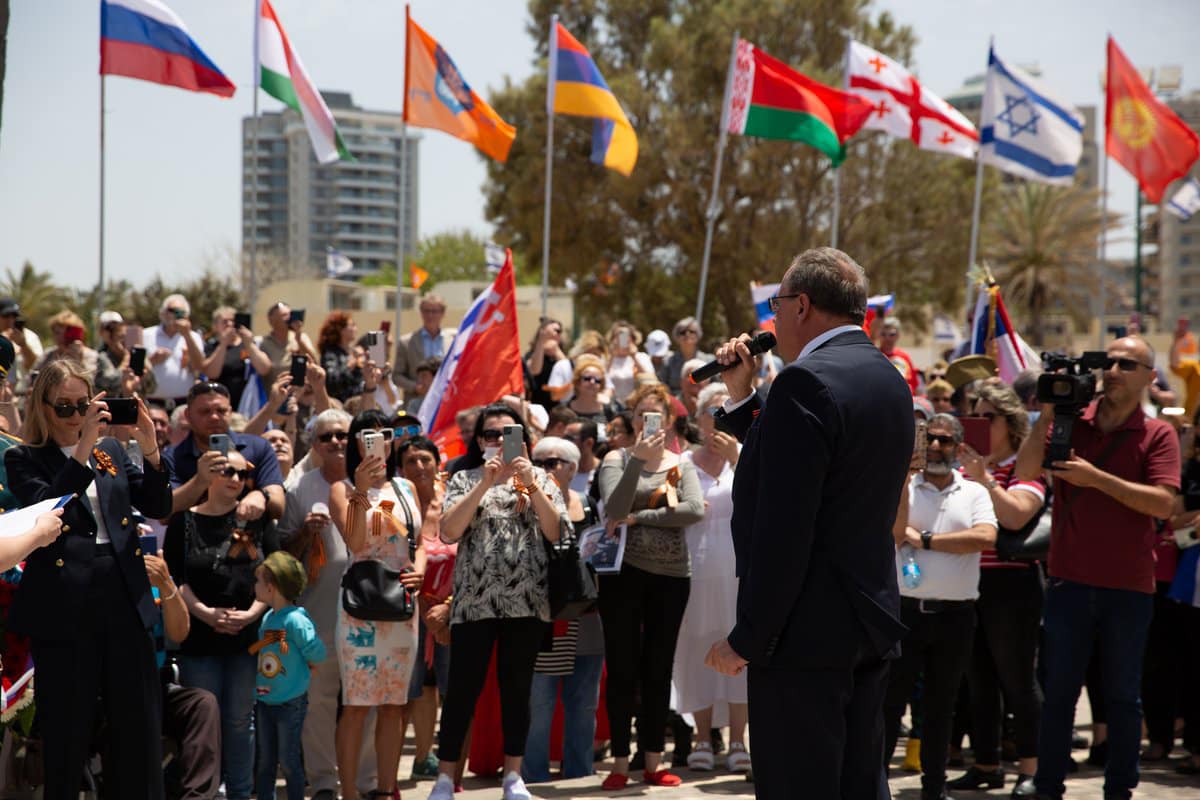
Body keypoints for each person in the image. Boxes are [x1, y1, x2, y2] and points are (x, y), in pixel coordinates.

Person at [706, 247, 914, 799]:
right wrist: (744, 396)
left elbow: (785, 530)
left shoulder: (804, 384)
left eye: (775, 306)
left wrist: (749, 637)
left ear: (801, 305)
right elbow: (804, 469)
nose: (770, 321)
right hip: (867, 621)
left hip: (804, 638)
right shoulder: (888, 378)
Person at [1015, 337, 1180, 800]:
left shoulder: (1157, 434)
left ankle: (1119, 791)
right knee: (1059, 696)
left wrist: (1095, 479)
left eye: (1127, 363)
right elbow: (1026, 470)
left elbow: (1164, 503)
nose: (1113, 370)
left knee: (1124, 699)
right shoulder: (1073, 423)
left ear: (1150, 376)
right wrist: (1047, 415)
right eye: (1108, 361)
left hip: (1128, 588)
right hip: (1068, 583)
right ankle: (1047, 787)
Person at [5, 360, 173, 799]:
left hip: (122, 593)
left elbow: (158, 504)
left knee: (136, 729)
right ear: (42, 407)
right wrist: (82, 449)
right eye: (64, 407)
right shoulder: (23, 458)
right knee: (67, 733)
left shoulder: (111, 453)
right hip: (65, 604)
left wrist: (150, 449)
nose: (77, 416)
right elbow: (48, 508)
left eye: (84, 405)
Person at [427, 404, 569, 800]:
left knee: (516, 689)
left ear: (522, 440)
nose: (496, 441)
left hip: (526, 601)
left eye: (505, 433)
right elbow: (450, 531)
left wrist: (530, 482)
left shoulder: (540, 477)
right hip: (474, 601)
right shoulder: (464, 476)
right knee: (461, 690)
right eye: (489, 434)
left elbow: (556, 531)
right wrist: (484, 484)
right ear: (478, 440)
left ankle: (513, 776)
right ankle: (444, 777)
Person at [597, 382, 705, 790]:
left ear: (671, 420)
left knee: (658, 669)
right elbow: (614, 509)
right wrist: (635, 465)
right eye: (641, 415)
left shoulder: (682, 463)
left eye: (655, 415)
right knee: (623, 668)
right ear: (633, 419)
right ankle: (622, 762)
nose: (647, 422)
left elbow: (694, 510)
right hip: (624, 575)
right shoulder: (616, 458)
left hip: (673, 576)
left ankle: (654, 761)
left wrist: (642, 518)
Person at [885, 413, 999, 800]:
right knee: (888, 704)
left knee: (941, 706)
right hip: (904, 611)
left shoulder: (974, 492)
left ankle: (934, 788)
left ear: (958, 447)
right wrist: (902, 478)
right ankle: (874, 784)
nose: (935, 447)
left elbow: (985, 537)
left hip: (955, 616)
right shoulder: (904, 486)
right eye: (929, 439)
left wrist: (928, 540)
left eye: (944, 441)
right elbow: (895, 533)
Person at [948, 383, 1047, 797]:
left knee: (1018, 680)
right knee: (979, 681)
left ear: (1011, 422)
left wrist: (985, 480)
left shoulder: (1022, 469)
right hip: (971, 583)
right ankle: (987, 764)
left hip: (1012, 585)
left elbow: (1015, 516)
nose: (981, 423)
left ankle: (1032, 768)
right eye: (976, 415)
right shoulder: (964, 469)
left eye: (990, 417)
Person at [165, 447, 280, 800]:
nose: (235, 479)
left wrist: (252, 613)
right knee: (205, 724)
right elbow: (172, 578)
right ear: (208, 474)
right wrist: (204, 613)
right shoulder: (183, 520)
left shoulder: (257, 520)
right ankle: (207, 793)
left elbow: (275, 574)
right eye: (226, 472)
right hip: (199, 637)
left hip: (246, 636)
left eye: (241, 474)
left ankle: (241, 794)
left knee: (239, 720)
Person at [277, 409, 379, 800]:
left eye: (343, 435)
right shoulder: (299, 488)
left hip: (368, 607)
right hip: (317, 609)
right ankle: (322, 781)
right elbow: (284, 549)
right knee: (318, 700)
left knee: (365, 697)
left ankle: (368, 781)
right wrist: (305, 532)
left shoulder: (373, 484)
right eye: (326, 437)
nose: (335, 442)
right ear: (313, 445)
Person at [330, 410, 425, 800]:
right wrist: (360, 491)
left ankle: (387, 790)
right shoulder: (341, 488)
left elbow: (420, 538)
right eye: (366, 436)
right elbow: (353, 543)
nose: (377, 442)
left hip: (402, 602)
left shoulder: (406, 487)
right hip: (360, 606)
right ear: (355, 443)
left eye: (384, 435)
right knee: (356, 704)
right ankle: (350, 793)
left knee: (394, 703)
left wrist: (419, 570)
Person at [673, 384, 750, 774]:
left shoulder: (749, 459)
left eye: (725, 412)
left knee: (740, 645)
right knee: (697, 649)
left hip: (739, 571)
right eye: (712, 413)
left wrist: (739, 458)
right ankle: (703, 738)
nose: (718, 420)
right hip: (695, 570)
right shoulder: (682, 463)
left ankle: (738, 741)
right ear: (698, 420)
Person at [523, 436, 605, 784]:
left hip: (585, 616)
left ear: (573, 468)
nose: (547, 467)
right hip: (543, 618)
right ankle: (533, 777)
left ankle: (579, 775)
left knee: (583, 704)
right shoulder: (523, 505)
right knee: (539, 707)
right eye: (540, 461)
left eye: (555, 461)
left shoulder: (588, 503)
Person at [398, 436, 464, 785]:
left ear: (438, 462)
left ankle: (451, 774)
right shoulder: (396, 505)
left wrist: (448, 608)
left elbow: (471, 559)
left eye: (425, 459)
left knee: (456, 691)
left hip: (454, 613)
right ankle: (422, 757)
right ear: (400, 469)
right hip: (408, 614)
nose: (419, 467)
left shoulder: (456, 500)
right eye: (410, 461)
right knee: (417, 690)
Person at [144, 541, 223, 800]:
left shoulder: (156, 581)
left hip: (157, 685)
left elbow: (180, 632)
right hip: (115, 689)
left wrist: (165, 583)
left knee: (202, 704)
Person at [251, 551, 327, 800]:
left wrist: (310, 660)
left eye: (258, 582)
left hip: (289, 702)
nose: (255, 586)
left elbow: (316, 649)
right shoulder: (268, 618)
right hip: (265, 700)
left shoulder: (295, 619)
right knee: (265, 761)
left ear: (271, 588)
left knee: (289, 759)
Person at [166, 381, 285, 519]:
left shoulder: (258, 448)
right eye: (205, 411)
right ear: (188, 415)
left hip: (247, 537)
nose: (214, 417)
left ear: (230, 412)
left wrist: (260, 495)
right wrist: (200, 480)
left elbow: (278, 506)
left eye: (221, 411)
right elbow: (164, 513)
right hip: (190, 537)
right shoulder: (172, 457)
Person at [143, 294, 206, 408]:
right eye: (171, 310)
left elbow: (200, 368)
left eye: (179, 312)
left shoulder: (194, 337)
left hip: (184, 401)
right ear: (162, 312)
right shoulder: (146, 334)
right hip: (152, 402)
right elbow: (135, 368)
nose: (173, 315)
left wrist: (186, 335)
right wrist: (151, 361)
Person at [202, 307, 270, 409]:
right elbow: (212, 373)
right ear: (216, 326)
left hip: (247, 404)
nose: (230, 324)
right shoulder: (212, 347)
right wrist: (224, 343)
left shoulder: (247, 344)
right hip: (220, 403)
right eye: (225, 322)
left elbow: (264, 369)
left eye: (233, 321)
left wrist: (249, 344)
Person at [394, 294, 457, 397]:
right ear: (421, 313)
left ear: (443, 313)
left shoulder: (453, 339)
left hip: (445, 400)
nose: (430, 315)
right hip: (416, 401)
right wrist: (415, 387)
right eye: (426, 311)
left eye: (434, 311)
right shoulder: (406, 342)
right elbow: (397, 376)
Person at [95, 310, 157, 399]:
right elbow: (107, 384)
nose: (124, 342)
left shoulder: (137, 357)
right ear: (112, 339)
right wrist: (125, 362)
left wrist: (145, 365)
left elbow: (152, 388)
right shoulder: (104, 357)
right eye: (120, 338)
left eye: (126, 338)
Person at [35, 309, 100, 376]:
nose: (60, 337)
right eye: (57, 333)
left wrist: (77, 361)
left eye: (66, 333)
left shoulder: (93, 357)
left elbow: (92, 382)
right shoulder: (47, 356)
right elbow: (32, 379)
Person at [526, 319, 571, 408]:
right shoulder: (531, 354)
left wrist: (556, 351)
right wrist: (541, 343)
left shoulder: (562, 354)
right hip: (537, 402)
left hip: (559, 404)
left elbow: (570, 373)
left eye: (559, 331)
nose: (555, 334)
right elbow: (534, 370)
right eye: (553, 330)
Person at [604, 322, 654, 403]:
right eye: (618, 335)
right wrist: (611, 357)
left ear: (632, 339)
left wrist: (634, 357)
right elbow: (602, 378)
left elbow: (650, 380)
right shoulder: (606, 358)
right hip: (611, 404)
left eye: (625, 335)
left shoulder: (642, 357)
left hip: (635, 404)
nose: (622, 338)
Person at [661, 317, 713, 393]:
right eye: (682, 332)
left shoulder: (709, 360)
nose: (687, 334)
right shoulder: (668, 361)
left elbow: (716, 384)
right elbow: (663, 386)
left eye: (692, 331)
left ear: (698, 335)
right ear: (677, 337)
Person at [878, 317, 919, 395]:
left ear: (898, 335)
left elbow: (913, 384)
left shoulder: (904, 357)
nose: (887, 338)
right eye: (883, 334)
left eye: (892, 334)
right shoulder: (874, 355)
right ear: (879, 335)